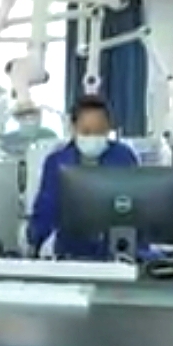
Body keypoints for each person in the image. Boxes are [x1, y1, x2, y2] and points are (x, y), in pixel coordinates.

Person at [27, 95, 142, 257]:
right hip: (70, 252)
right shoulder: (57, 162)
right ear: (73, 128)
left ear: (109, 128)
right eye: (86, 131)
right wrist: (34, 241)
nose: (93, 137)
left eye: (100, 131)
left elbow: (138, 206)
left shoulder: (123, 157)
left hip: (116, 250)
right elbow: (46, 208)